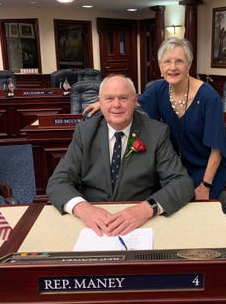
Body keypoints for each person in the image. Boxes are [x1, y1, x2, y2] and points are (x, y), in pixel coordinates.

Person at [47, 74, 194, 237]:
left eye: (123, 98)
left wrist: (146, 209)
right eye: (109, 98)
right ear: (100, 101)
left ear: (135, 100)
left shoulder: (157, 132)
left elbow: (182, 183)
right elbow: (58, 182)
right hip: (92, 226)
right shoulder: (85, 132)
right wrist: (83, 209)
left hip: (139, 224)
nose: (116, 105)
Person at [84, 38, 226, 200]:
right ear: (161, 66)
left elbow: (217, 149)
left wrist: (205, 185)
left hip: (206, 169)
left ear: (189, 65)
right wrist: (104, 102)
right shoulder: (158, 90)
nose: (173, 67)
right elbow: (131, 101)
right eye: (167, 61)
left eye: (179, 61)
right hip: (175, 167)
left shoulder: (209, 97)